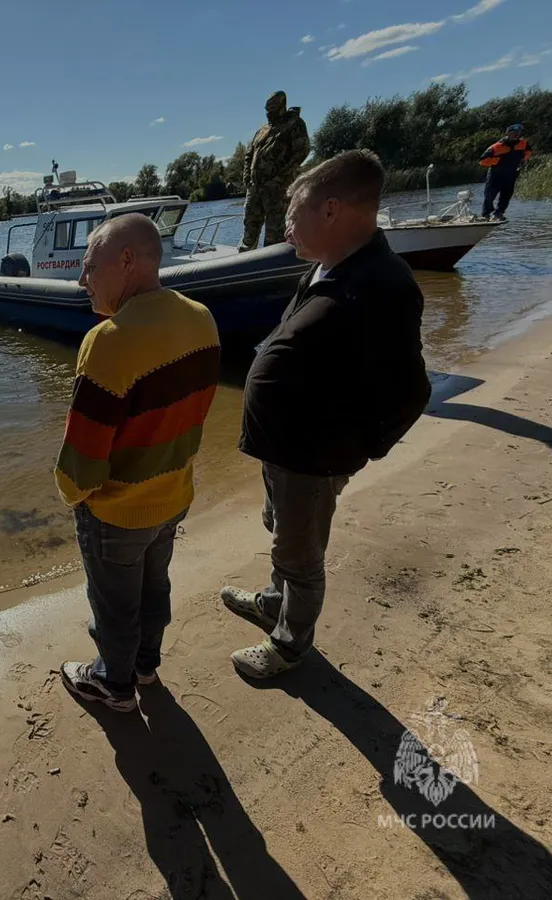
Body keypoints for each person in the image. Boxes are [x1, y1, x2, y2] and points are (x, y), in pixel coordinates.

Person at [223, 149, 431, 679]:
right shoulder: (328, 266)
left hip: (313, 456)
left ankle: (291, 645)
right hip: (286, 449)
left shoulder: (383, 285)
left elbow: (408, 391)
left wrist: (354, 451)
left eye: (295, 209)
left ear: (332, 210)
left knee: (302, 553)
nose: (287, 220)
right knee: (283, 533)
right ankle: (274, 600)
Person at [55, 213, 221, 712]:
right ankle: (147, 666)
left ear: (126, 260)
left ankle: (115, 683)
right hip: (173, 495)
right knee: (154, 587)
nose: (82, 280)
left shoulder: (109, 341)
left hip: (117, 511)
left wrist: (72, 496)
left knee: (115, 605)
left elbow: (82, 459)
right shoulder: (202, 318)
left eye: (89, 266)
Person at [239, 91, 310, 252]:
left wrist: (280, 177)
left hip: (277, 188)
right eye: (267, 109)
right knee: (250, 225)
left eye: (272, 108)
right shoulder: (262, 130)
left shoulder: (294, 124)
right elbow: (249, 154)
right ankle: (245, 261)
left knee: (275, 230)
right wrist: (247, 179)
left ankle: (273, 263)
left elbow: (302, 151)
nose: (268, 112)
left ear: (282, 107)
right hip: (255, 188)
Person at [480, 123, 532, 220]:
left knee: (506, 195)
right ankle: (486, 214)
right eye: (514, 132)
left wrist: (524, 159)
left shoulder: (523, 143)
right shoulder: (496, 147)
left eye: (518, 132)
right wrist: (498, 160)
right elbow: (482, 161)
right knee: (490, 195)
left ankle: (499, 213)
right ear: (508, 133)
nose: (517, 134)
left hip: (511, 174)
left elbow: (528, 151)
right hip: (495, 174)